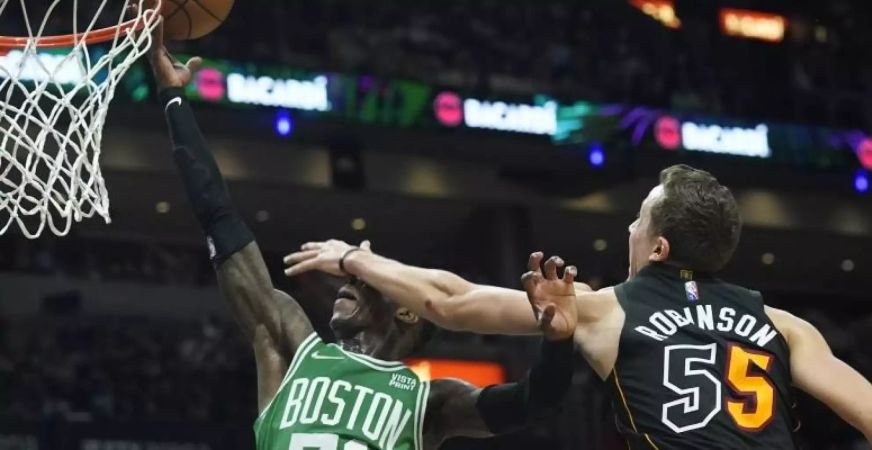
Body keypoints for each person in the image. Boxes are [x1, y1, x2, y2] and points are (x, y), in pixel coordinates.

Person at [147, 24, 578, 450]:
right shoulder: (291, 345)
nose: (349, 280)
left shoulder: (433, 402)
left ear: (409, 312)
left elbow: (533, 401)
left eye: (365, 278)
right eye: (354, 275)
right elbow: (219, 218)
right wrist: (173, 100)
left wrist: (558, 344)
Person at [286, 165, 872, 449]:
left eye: (638, 219)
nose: (629, 227)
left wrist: (355, 260)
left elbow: (451, 301)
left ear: (657, 246)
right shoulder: (782, 325)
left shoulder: (608, 309)